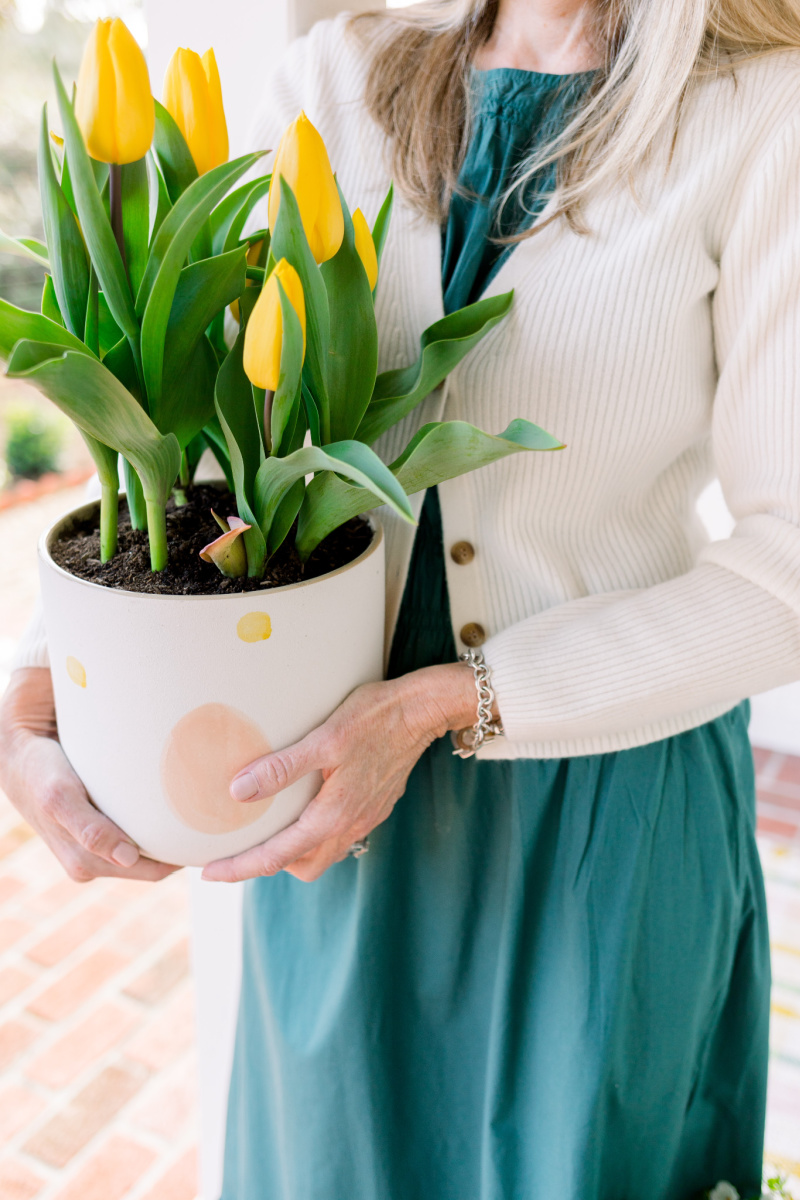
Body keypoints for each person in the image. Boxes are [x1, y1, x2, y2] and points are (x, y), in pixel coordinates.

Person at [3, 0, 800, 1192]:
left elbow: (788, 566)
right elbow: (192, 436)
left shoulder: (763, 111)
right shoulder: (336, 75)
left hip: (600, 816)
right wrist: (46, 673)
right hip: (334, 816)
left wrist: (451, 700)